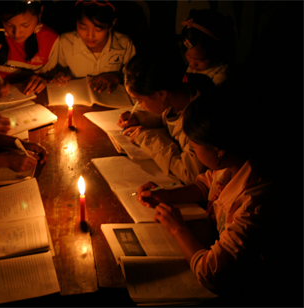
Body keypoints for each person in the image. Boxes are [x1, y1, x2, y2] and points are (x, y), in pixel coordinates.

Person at [134, 92, 270, 298]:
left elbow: (211, 273)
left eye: (194, 147)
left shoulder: (254, 203)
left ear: (218, 150)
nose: (193, 152)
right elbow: (207, 183)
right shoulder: (231, 164)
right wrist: (168, 195)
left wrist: (178, 228)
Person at [117, 52, 206, 184]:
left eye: (139, 100)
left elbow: (190, 174)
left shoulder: (199, 120)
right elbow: (164, 115)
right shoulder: (177, 98)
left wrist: (148, 139)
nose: (138, 105)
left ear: (161, 94)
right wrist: (139, 117)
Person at [51, 0, 136, 94]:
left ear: (112, 24)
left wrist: (116, 77)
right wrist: (60, 77)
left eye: (98, 29)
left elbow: (135, 78)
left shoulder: (124, 44)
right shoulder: (65, 43)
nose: (90, 35)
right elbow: (56, 73)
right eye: (83, 27)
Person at [0, 0, 59, 98]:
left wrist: (40, 81)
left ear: (40, 12)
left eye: (25, 25)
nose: (17, 33)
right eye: (9, 25)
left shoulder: (50, 40)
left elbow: (48, 80)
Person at [180, 9, 235, 92]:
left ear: (218, 52)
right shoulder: (196, 65)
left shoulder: (221, 78)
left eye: (201, 60)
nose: (192, 64)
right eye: (188, 56)